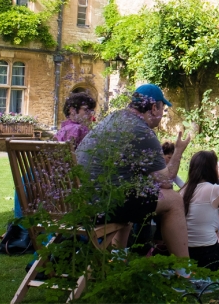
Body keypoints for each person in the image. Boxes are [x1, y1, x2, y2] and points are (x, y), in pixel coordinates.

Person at [76, 84, 191, 256]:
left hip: (77, 202)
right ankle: (185, 273)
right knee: (173, 200)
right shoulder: (141, 130)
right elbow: (166, 182)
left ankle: (117, 259)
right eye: (163, 109)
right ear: (153, 108)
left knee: (133, 194)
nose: (162, 115)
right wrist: (179, 151)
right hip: (100, 207)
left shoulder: (111, 119)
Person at [14, 92, 97, 220]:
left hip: (36, 184)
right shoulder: (80, 130)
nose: (90, 114)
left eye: (91, 111)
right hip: (63, 188)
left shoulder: (63, 130)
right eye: (86, 110)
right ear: (72, 111)